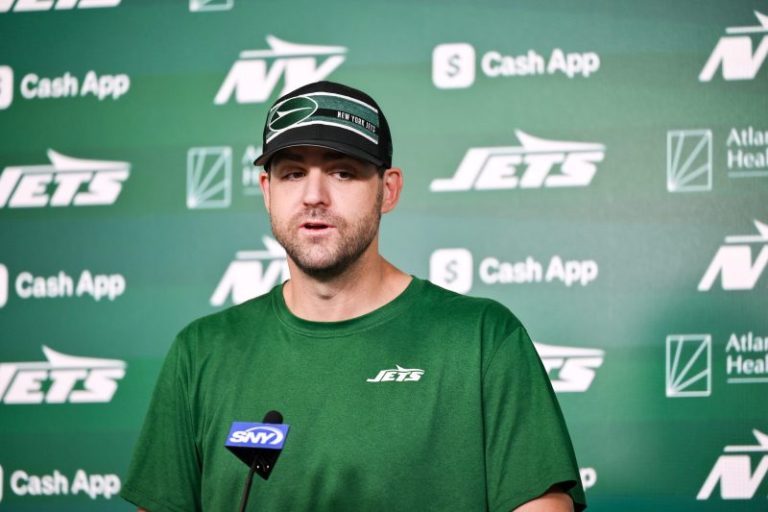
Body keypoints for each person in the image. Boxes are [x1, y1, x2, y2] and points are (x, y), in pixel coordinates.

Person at [121, 81, 587, 512]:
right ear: (267, 191)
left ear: (388, 190)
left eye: (343, 173)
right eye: (292, 173)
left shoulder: (483, 339)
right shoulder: (201, 351)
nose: (314, 196)